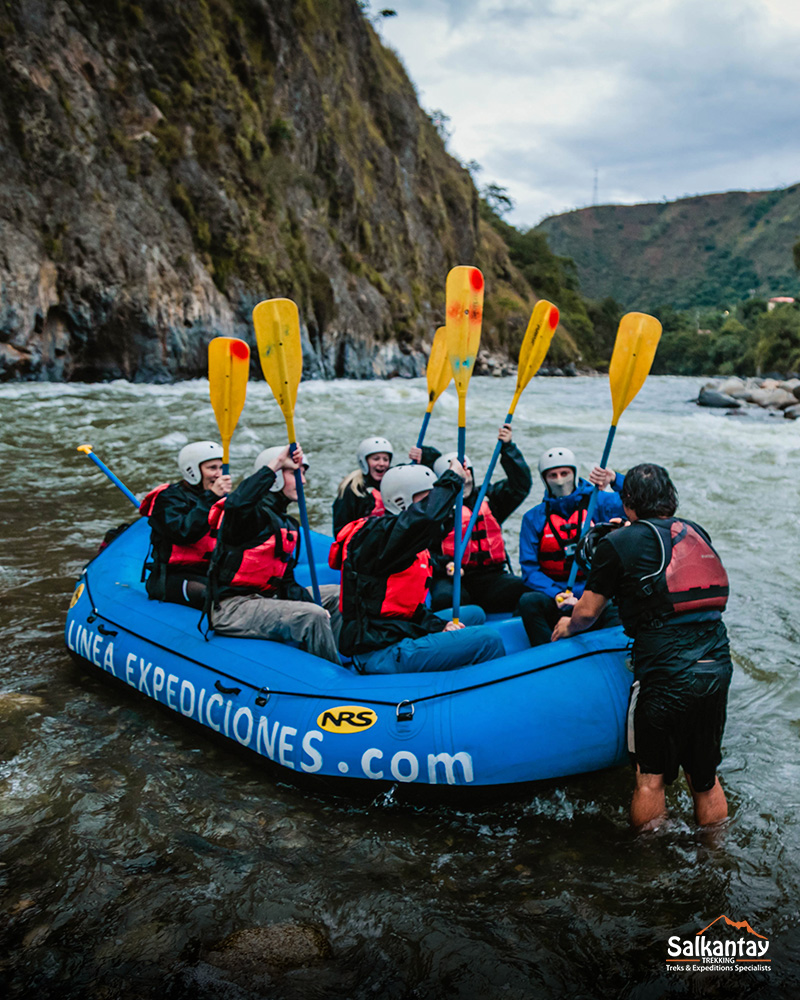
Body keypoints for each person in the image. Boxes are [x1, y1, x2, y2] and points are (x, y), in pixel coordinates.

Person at [551, 463, 732, 831]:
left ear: (627, 501)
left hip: (664, 675)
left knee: (650, 777)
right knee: (705, 777)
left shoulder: (617, 543)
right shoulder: (695, 532)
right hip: (716, 664)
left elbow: (587, 612)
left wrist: (569, 624)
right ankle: (716, 855)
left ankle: (650, 867)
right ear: (671, 497)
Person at [330, 462, 506, 673]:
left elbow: (410, 610)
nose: (436, 505)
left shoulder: (403, 543)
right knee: (488, 639)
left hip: (396, 632)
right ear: (399, 502)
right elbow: (425, 517)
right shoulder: (376, 539)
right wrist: (452, 479)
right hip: (380, 651)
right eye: (426, 498)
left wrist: (439, 627)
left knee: (474, 614)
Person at [208, 445, 342, 664]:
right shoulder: (250, 517)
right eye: (295, 474)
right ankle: (331, 675)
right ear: (276, 479)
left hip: (267, 600)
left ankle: (338, 657)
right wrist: (277, 464)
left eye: (304, 474)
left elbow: (287, 583)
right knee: (312, 615)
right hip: (233, 608)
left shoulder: (286, 523)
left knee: (335, 596)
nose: (304, 482)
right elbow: (237, 503)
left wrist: (314, 604)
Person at [517, 446, 624, 645]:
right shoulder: (533, 518)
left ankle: (609, 648)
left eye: (564, 473)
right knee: (528, 602)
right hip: (558, 594)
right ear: (545, 479)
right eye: (553, 475)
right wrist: (556, 594)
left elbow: (638, 500)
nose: (559, 480)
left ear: (574, 474)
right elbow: (529, 570)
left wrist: (615, 479)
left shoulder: (599, 503)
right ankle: (546, 653)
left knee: (619, 601)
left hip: (595, 592)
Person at [427, 424, 532, 613]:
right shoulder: (436, 510)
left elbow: (520, 485)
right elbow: (426, 553)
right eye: (459, 472)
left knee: (527, 591)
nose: (465, 475)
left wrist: (508, 449)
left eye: (467, 470)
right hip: (453, 578)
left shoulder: (490, 498)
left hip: (491, 577)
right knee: (448, 599)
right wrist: (444, 567)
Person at [140, 441, 232, 608]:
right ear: (192, 471)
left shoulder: (222, 500)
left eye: (221, 468)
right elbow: (183, 533)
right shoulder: (169, 499)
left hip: (209, 573)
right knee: (211, 596)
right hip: (171, 577)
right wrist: (211, 498)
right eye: (212, 468)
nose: (219, 474)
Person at [332, 436, 393, 536]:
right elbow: (340, 530)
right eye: (376, 459)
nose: (382, 463)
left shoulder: (394, 482)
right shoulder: (352, 490)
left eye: (385, 459)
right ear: (364, 461)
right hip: (360, 545)